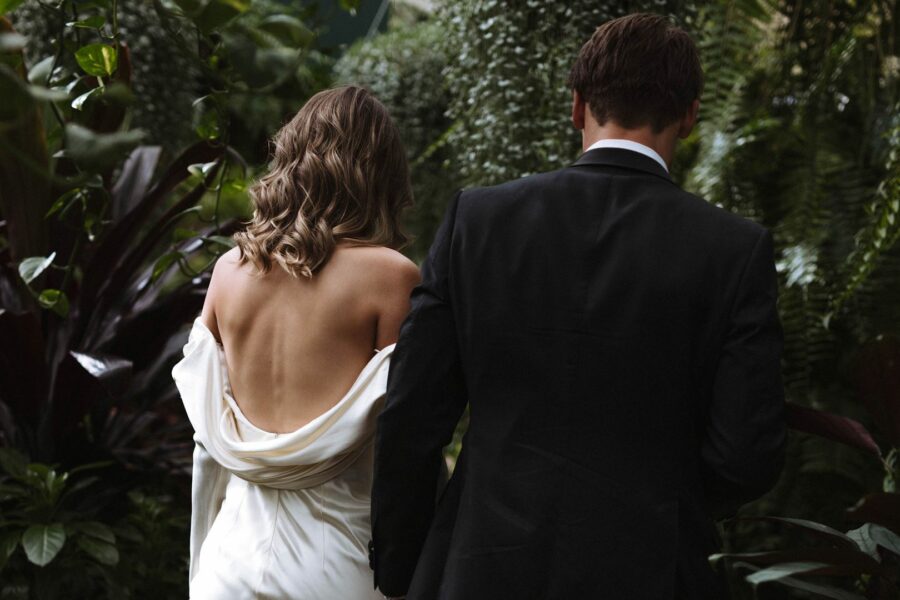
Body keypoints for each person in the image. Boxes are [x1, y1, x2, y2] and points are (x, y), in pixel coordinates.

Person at [370, 13, 787, 600]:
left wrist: (402, 568)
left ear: (577, 105)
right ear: (692, 115)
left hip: (480, 568)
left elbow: (412, 418)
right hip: (650, 571)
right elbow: (747, 454)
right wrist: (661, 499)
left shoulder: (478, 222)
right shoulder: (734, 251)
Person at [172, 86, 420, 599]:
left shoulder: (227, 273)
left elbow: (206, 442)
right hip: (338, 564)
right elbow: (410, 437)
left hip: (228, 563)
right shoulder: (391, 277)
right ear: (379, 173)